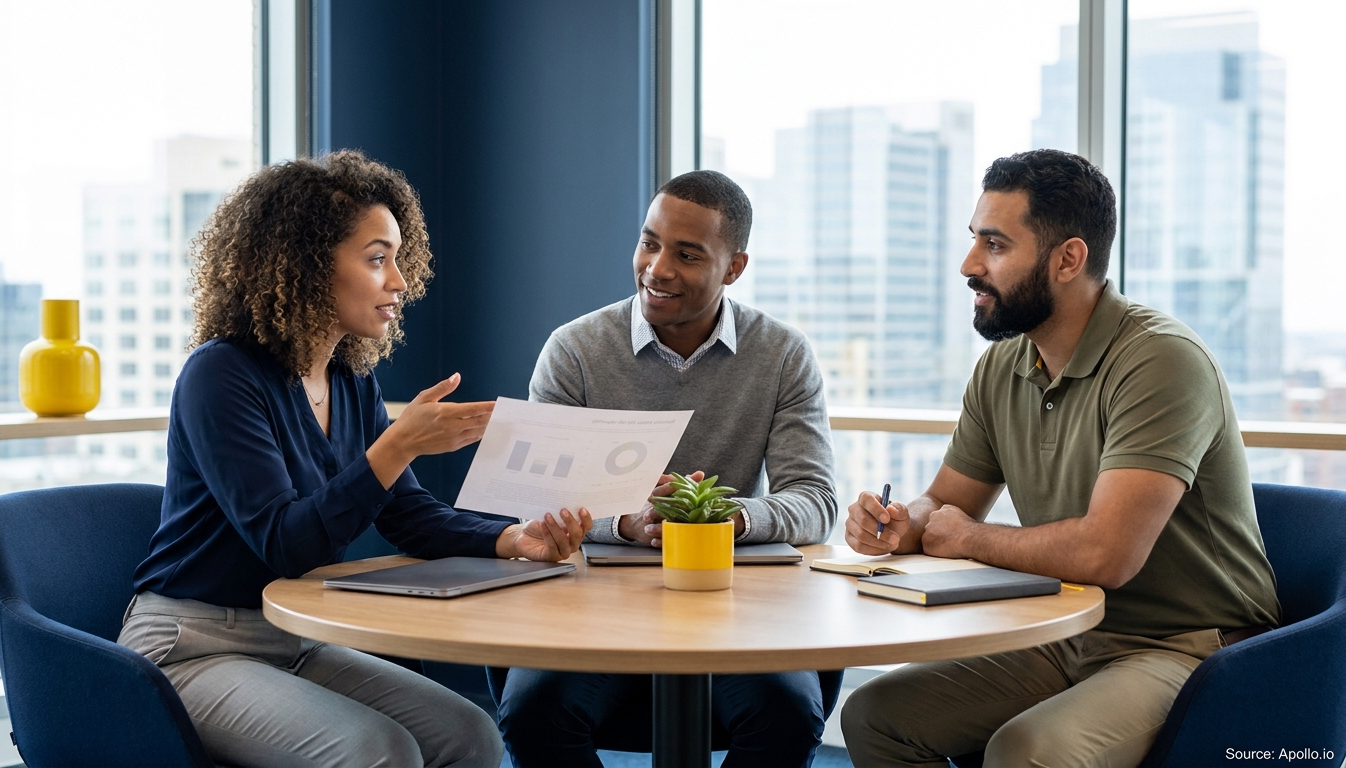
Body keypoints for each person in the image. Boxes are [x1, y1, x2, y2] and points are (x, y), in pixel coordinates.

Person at [119, 150, 592, 768]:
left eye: (399, 258)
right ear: (307, 267)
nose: (399, 280)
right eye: (377, 260)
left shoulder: (348, 381)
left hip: (293, 635)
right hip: (189, 645)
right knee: (379, 751)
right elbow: (286, 544)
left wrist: (513, 539)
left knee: (470, 734)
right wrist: (397, 445)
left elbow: (410, 515)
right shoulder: (221, 375)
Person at [838, 149, 1281, 768]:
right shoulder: (1003, 364)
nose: (968, 265)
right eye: (974, 240)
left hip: (1190, 648)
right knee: (875, 716)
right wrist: (901, 524)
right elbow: (946, 504)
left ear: (1069, 258)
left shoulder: (1162, 361)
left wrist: (966, 538)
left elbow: (1107, 555)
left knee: (1027, 751)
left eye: (994, 245)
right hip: (1065, 631)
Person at [491, 170, 840, 767]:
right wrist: (627, 521)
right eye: (649, 243)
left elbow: (815, 500)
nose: (657, 268)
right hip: (592, 610)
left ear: (734, 267)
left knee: (786, 711)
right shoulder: (574, 350)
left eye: (686, 254)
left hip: (734, 608)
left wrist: (728, 518)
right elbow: (537, 499)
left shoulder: (782, 354)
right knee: (533, 712)